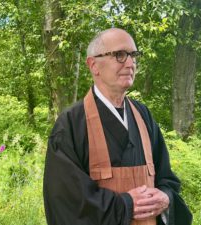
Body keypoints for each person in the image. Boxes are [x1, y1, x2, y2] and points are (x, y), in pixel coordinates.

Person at [43, 28, 192, 225]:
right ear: (94, 65)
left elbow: (167, 178)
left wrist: (166, 197)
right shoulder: (71, 123)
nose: (130, 63)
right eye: (120, 55)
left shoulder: (143, 115)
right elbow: (66, 202)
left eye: (133, 55)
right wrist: (125, 205)